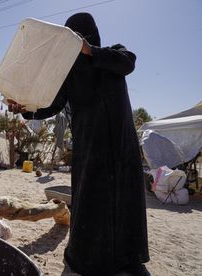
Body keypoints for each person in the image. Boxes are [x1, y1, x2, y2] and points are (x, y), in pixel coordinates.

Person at [9, 12, 149, 276]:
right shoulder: (68, 72)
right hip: (89, 149)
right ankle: (85, 260)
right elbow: (51, 104)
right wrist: (24, 109)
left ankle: (127, 259)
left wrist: (89, 50)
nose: (78, 41)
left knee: (124, 202)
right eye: (73, 37)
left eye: (82, 36)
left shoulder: (113, 54)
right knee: (90, 203)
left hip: (121, 147)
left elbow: (128, 63)